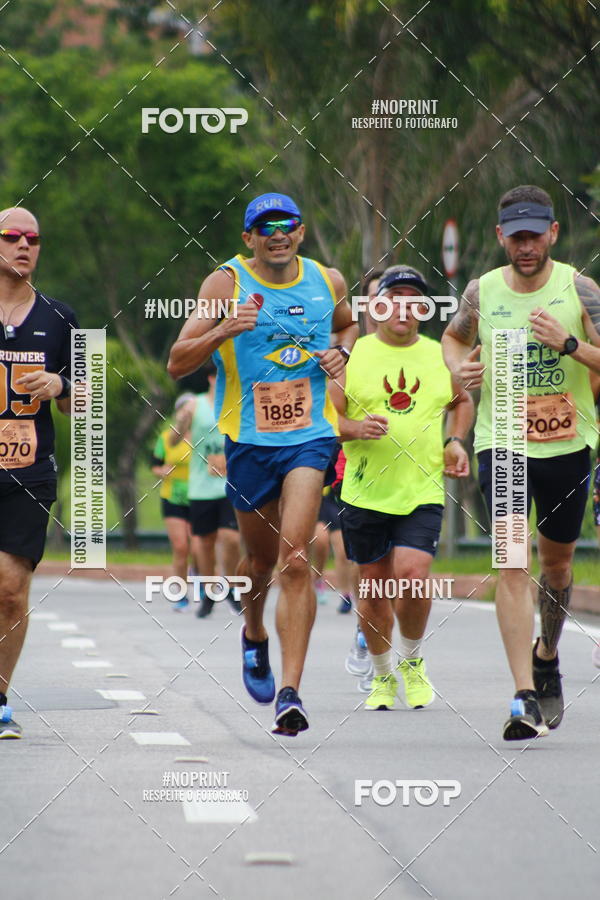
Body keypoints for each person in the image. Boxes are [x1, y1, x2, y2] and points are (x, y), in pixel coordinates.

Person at [168, 192, 358, 735]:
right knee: (259, 562)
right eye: (265, 226)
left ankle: (291, 693)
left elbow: (347, 327)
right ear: (248, 237)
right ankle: (253, 633)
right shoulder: (222, 285)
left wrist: (341, 351)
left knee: (296, 560)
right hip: (249, 442)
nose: (278, 233)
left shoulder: (329, 280)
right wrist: (224, 329)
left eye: (288, 224)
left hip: (310, 436)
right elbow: (176, 360)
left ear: (301, 232)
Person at [442, 184, 600, 740]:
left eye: (535, 236)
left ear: (553, 233)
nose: (526, 246)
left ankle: (547, 653)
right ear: (500, 237)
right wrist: (459, 371)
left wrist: (570, 345)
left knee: (556, 567)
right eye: (516, 237)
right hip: (503, 439)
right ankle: (523, 696)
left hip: (567, 444)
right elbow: (454, 340)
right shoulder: (481, 292)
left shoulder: (579, 289)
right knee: (512, 562)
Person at [330, 264, 473, 711]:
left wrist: (454, 441)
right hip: (363, 492)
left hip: (421, 490)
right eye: (396, 299)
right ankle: (381, 675)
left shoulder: (437, 355)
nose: (404, 309)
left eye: (415, 301)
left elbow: (462, 401)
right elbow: (326, 418)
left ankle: (411, 660)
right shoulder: (353, 356)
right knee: (372, 589)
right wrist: (354, 428)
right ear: (377, 305)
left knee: (413, 576)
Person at [0, 207, 79, 739]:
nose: (25, 245)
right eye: (13, 237)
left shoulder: (60, 317)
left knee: (9, 589)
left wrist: (62, 386)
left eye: (34, 239)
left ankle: (0, 697)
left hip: (29, 472)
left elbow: (86, 400)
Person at [170, 364, 241, 618]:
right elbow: (173, 440)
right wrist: (181, 422)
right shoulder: (194, 405)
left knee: (231, 538)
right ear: (211, 378)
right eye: (219, 377)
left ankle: (231, 586)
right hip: (201, 486)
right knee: (204, 542)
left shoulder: (238, 403)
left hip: (229, 485)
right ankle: (210, 591)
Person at [151, 392, 195, 611]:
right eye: (184, 410)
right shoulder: (167, 438)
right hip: (172, 497)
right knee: (180, 546)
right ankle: (180, 592)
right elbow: (155, 465)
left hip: (199, 496)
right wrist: (162, 471)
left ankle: (199, 577)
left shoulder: (205, 435)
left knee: (196, 546)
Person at [312, 444, 356, 613]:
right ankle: (317, 578)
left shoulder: (344, 436)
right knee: (320, 540)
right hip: (315, 498)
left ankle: (346, 595)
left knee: (343, 551)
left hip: (335, 498)